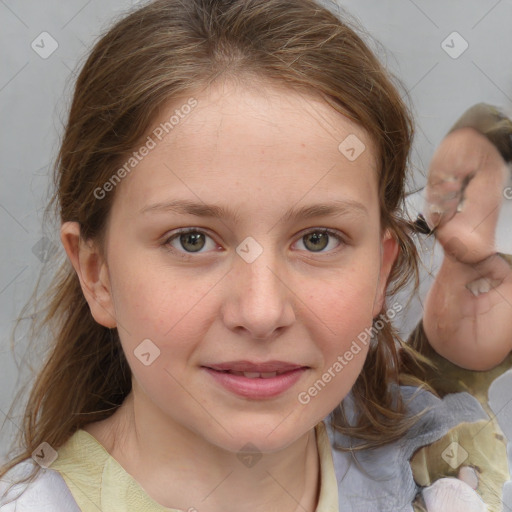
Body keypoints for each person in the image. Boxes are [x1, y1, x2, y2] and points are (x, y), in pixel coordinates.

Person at [0, 1, 510, 511]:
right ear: (97, 275)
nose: (262, 312)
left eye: (317, 239)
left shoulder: (453, 482)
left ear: (380, 270)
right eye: (192, 240)